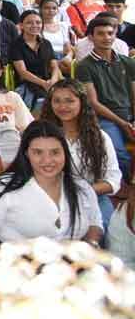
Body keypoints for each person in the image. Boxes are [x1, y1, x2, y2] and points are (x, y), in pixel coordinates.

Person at [0, 121, 103, 295]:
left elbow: (95, 221)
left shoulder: (81, 187)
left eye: (55, 152)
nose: (47, 160)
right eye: (38, 153)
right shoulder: (3, 187)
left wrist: (91, 244)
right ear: (26, 153)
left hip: (67, 280)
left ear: (65, 153)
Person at [40, 80, 122, 228]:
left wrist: (83, 190)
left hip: (93, 198)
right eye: (57, 101)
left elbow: (113, 179)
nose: (63, 106)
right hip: (50, 200)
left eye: (70, 101)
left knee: (100, 230)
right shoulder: (42, 137)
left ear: (82, 103)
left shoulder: (100, 137)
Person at [73, 16, 135, 181]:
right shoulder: (84, 66)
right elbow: (93, 103)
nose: (106, 38)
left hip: (128, 115)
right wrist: (122, 123)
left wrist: (132, 121)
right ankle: (123, 188)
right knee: (118, 152)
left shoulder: (128, 62)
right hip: (103, 118)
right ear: (91, 37)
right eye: (101, 34)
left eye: (110, 33)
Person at [9, 9, 60, 111]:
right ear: (21, 25)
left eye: (38, 22)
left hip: (48, 83)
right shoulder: (16, 45)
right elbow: (23, 72)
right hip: (27, 85)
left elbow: (54, 66)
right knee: (42, 102)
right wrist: (43, 83)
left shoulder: (46, 43)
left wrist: (53, 81)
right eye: (29, 22)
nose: (34, 25)